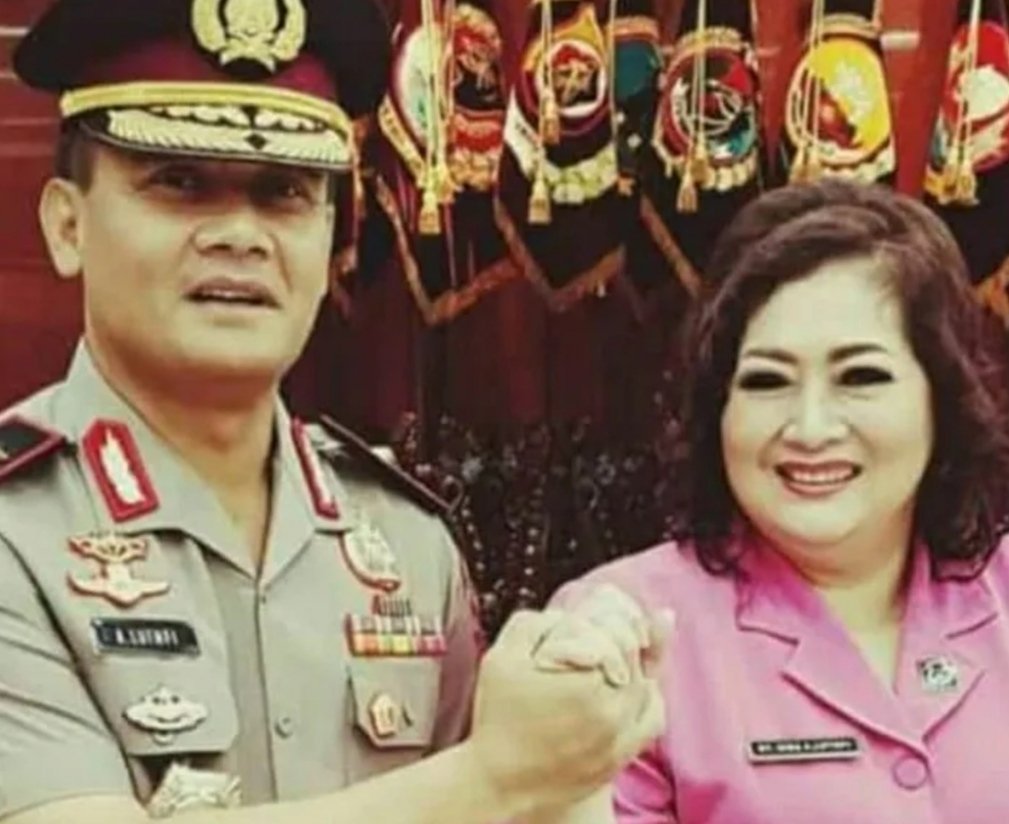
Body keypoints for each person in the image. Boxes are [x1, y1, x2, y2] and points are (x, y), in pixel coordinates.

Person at [0, 1, 667, 822]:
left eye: (283, 193)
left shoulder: (403, 541)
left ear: (328, 236)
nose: (239, 235)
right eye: (179, 183)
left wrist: (579, 735)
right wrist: (497, 778)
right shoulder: (15, 532)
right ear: (67, 226)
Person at [552, 179, 1009, 822]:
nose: (811, 429)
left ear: (943, 398)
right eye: (767, 381)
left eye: (861, 377)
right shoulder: (619, 631)